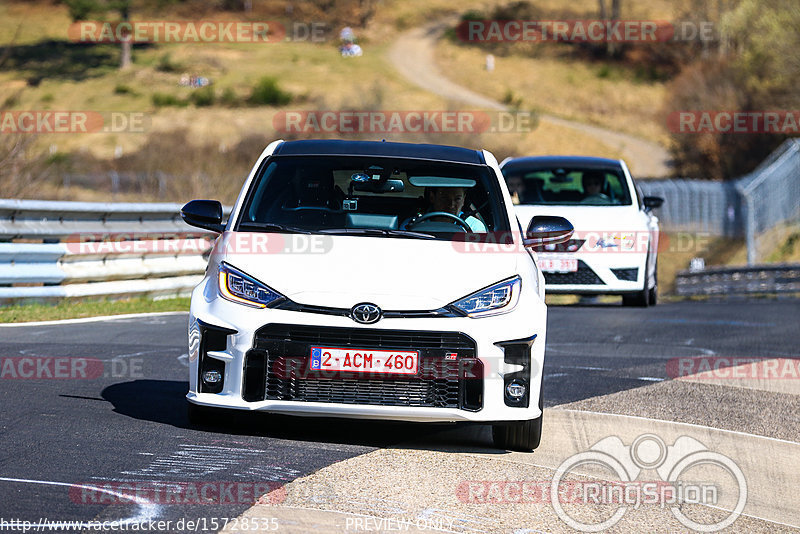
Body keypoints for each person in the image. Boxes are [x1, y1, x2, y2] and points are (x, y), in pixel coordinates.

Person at [405, 187, 486, 232]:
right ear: (432, 197)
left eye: (457, 199)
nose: (451, 205)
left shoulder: (474, 226)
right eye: (444, 198)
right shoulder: (412, 224)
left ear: (463, 200)